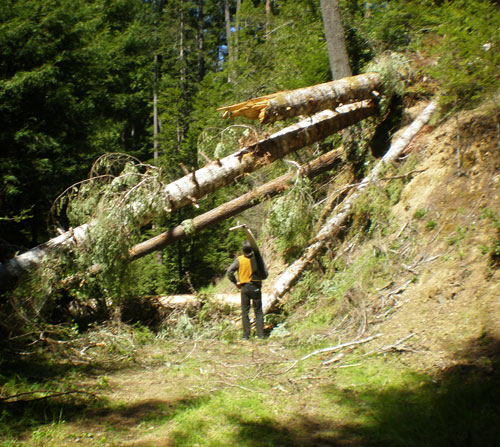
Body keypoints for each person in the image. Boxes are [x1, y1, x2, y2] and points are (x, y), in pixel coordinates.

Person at [227, 240, 268, 339]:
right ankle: (260, 335)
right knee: (258, 311)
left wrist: (236, 282)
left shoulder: (239, 260)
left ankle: (246, 336)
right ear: (251, 249)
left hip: (244, 287)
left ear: (243, 250)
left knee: (245, 312)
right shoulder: (257, 259)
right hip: (256, 287)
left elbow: (229, 272)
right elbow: (265, 274)